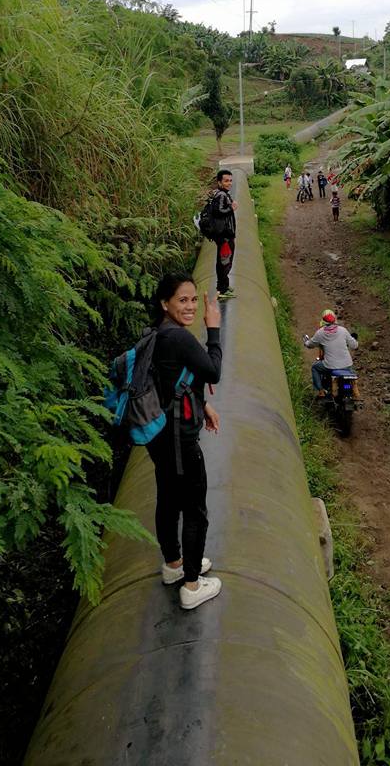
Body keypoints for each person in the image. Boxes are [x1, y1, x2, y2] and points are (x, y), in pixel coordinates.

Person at [147, 273, 223, 610]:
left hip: (161, 434)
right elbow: (214, 370)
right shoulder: (180, 338)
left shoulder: (157, 334)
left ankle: (173, 565)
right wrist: (214, 328)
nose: (191, 305)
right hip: (179, 439)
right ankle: (192, 585)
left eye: (194, 299)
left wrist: (202, 403)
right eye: (183, 300)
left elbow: (169, 379)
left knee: (167, 498)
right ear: (166, 303)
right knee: (194, 509)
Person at [303, 309, 360, 400]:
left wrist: (306, 342)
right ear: (335, 321)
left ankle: (321, 391)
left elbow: (310, 344)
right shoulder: (343, 330)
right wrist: (355, 341)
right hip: (347, 365)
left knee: (315, 367)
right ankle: (354, 390)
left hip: (330, 366)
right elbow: (354, 345)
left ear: (323, 322)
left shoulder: (320, 333)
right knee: (352, 372)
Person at [211, 169, 237, 300]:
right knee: (224, 262)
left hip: (225, 235)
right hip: (224, 237)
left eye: (231, 180)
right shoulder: (221, 195)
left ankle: (224, 286)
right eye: (226, 181)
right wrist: (231, 208)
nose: (229, 183)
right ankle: (222, 290)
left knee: (224, 261)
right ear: (219, 182)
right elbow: (218, 211)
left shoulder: (221, 194)